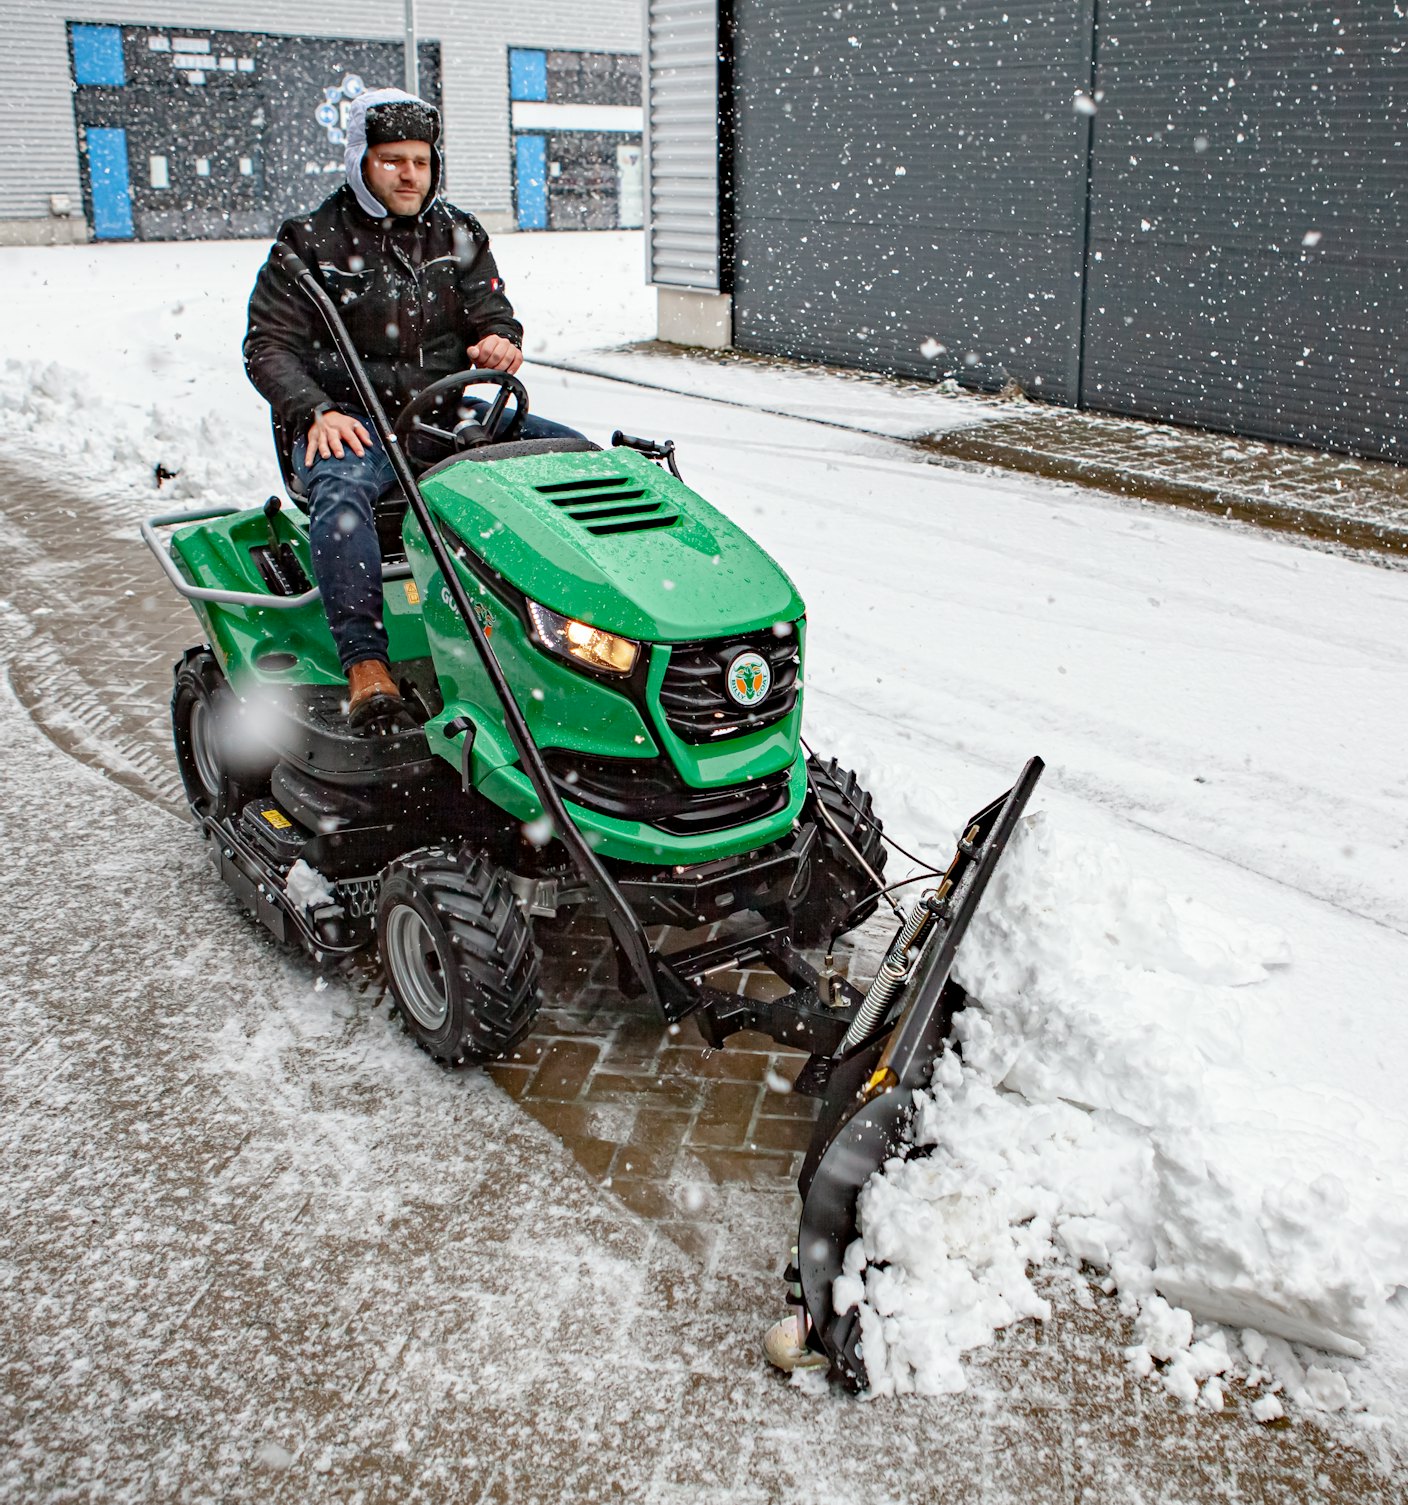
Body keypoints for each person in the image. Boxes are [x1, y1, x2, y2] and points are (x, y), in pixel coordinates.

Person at [243, 87, 584, 733]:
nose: (409, 175)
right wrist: (315, 410)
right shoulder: (307, 242)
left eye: (421, 161)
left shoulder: (457, 234)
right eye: (392, 159)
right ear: (359, 163)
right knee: (343, 500)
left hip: (441, 418)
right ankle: (366, 665)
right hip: (349, 423)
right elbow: (267, 347)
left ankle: (568, 638)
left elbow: (494, 312)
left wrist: (500, 341)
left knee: (572, 460)